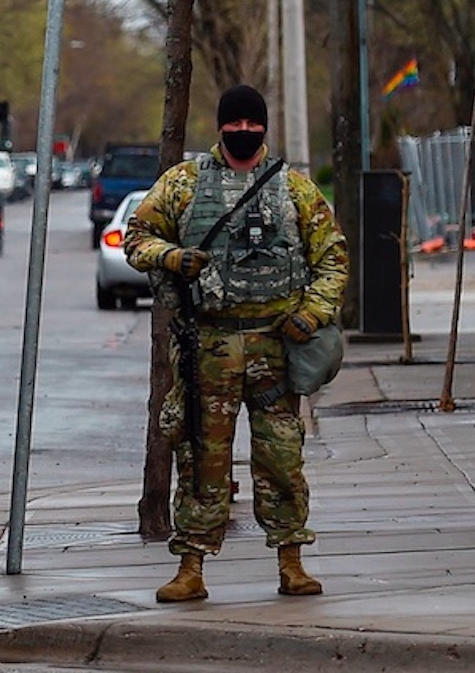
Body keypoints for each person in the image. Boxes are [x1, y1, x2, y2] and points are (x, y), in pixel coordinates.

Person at [124, 85, 348, 602]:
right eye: (236, 125)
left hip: (275, 346)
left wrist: (311, 314)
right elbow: (136, 238)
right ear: (220, 127)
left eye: (254, 125)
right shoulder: (183, 185)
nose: (245, 133)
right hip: (210, 346)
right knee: (203, 458)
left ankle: (291, 560)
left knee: (282, 458)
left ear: (265, 128)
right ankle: (191, 567)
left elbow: (332, 258)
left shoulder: (294, 190)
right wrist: (172, 257)